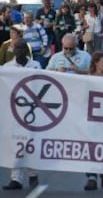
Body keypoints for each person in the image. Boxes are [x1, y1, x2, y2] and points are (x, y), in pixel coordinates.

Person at [2, 38, 41, 191]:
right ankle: (16, 178)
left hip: (33, 109)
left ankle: (33, 173)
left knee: (31, 143)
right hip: (14, 110)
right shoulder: (7, 67)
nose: (19, 50)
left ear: (27, 50)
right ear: (13, 50)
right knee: (15, 143)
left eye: (22, 48)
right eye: (17, 48)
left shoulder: (35, 65)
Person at [84, 52, 103, 191]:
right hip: (90, 119)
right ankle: (91, 176)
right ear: (96, 62)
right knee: (90, 147)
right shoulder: (87, 79)